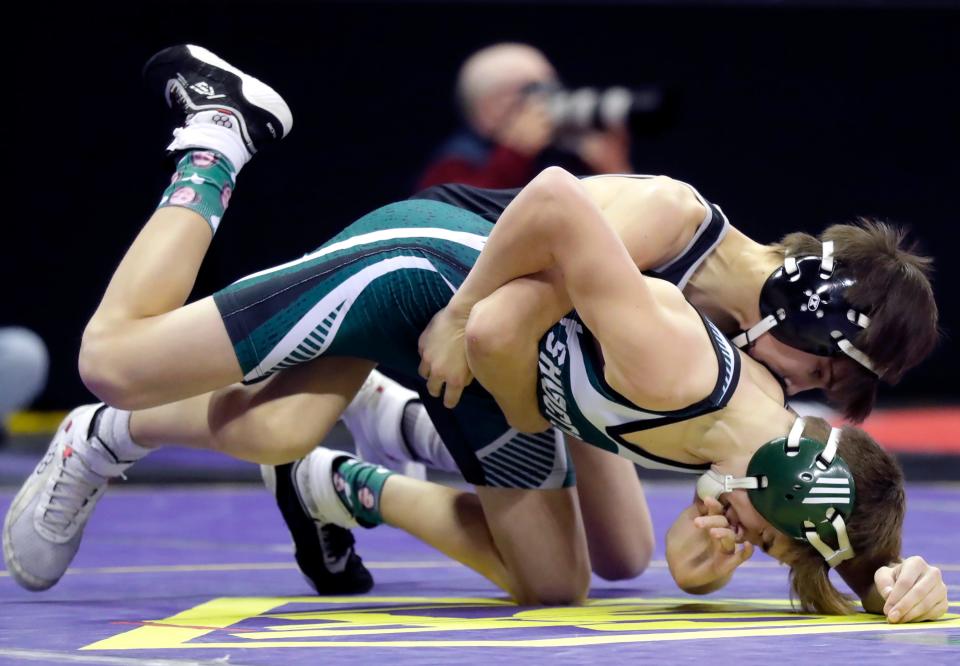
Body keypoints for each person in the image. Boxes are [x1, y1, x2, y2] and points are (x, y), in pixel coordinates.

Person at [3, 45, 945, 624]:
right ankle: (220, 137)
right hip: (441, 276)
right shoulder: (670, 241)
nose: (815, 390)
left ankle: (365, 459)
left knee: (589, 570)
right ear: (816, 315)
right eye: (826, 368)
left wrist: (892, 573)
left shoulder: (743, 382)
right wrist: (460, 331)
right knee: (114, 363)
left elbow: (804, 493)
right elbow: (530, 250)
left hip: (529, 367)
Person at [416, 43, 633, 191]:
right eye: (534, 90)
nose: (547, 101)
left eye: (553, 87)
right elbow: (464, 218)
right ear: (488, 108)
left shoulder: (562, 155)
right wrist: (514, 155)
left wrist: (615, 171)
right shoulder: (454, 165)